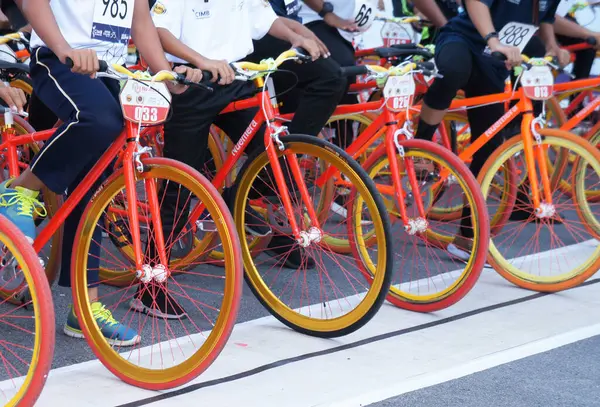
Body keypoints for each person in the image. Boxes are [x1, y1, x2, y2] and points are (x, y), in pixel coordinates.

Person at [6, 0, 201, 345]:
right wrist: (65, 48)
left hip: (110, 70)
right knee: (99, 120)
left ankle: (85, 309)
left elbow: (140, 20)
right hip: (60, 59)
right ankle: (20, 188)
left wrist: (168, 74)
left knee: (93, 192)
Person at [146, 0, 325, 318]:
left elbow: (265, 18)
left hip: (238, 77)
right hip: (192, 79)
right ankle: (150, 283)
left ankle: (243, 211)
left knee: (272, 161)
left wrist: (295, 36)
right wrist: (201, 60)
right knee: (181, 184)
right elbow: (158, 29)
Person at [413, 0, 570, 259]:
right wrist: (493, 39)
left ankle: (466, 236)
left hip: (495, 62)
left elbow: (546, 20)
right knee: (452, 72)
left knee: (489, 149)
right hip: (462, 40)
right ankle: (422, 145)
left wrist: (553, 46)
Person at [247, 1, 346, 141]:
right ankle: (291, 152)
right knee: (331, 77)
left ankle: (292, 148)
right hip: (259, 35)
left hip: (282, 27)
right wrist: (297, 30)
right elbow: (256, 15)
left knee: (338, 70)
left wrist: (323, 13)